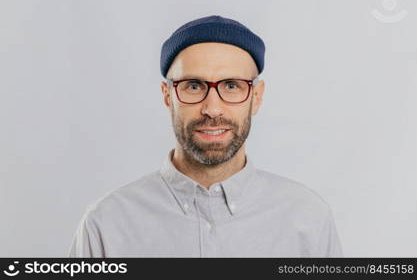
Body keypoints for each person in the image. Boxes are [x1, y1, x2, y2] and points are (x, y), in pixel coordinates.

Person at [69, 15, 343, 257]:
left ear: (256, 98)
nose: (212, 109)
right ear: (168, 97)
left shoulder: (308, 220)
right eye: (193, 86)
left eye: (232, 85)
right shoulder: (106, 226)